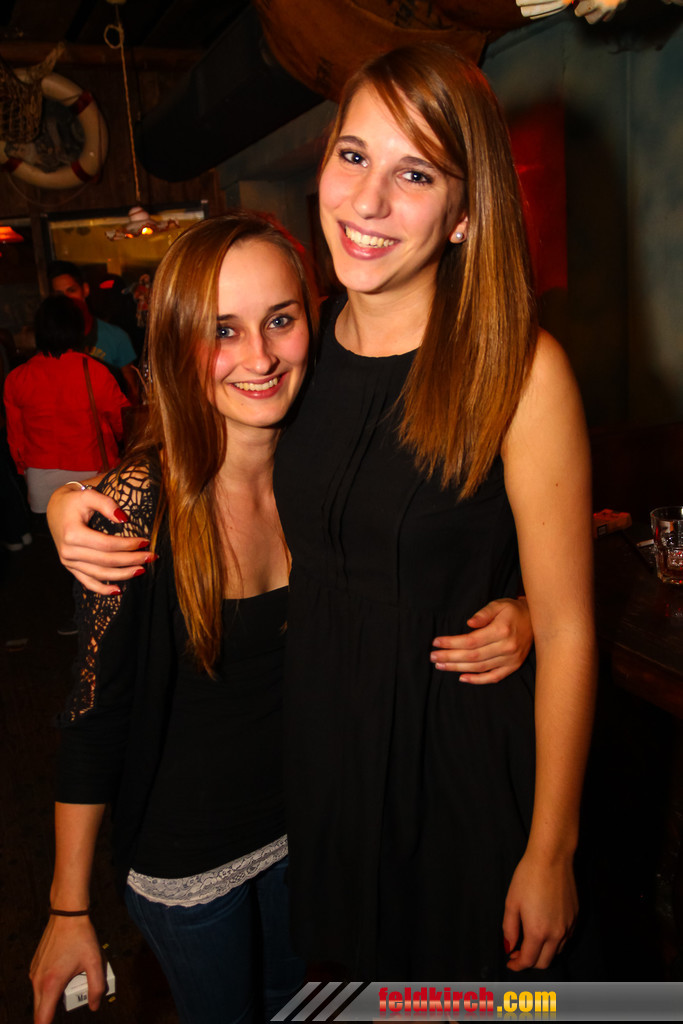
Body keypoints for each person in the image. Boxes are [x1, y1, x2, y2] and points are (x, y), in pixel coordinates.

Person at [41, 44, 573, 985]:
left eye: (415, 173)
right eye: (353, 155)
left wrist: (551, 847)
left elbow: (556, 613)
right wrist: (77, 500)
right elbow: (217, 443)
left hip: (447, 778)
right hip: (321, 796)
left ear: (465, 212)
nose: (368, 201)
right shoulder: (313, 357)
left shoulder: (515, 371)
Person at [3, 295, 129, 516]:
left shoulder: (17, 378)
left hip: (41, 479)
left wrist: (25, 472)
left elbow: (16, 438)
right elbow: (123, 422)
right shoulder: (96, 372)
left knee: (56, 534)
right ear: (78, 330)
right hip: (93, 474)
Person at [48, 261, 139, 400]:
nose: (67, 300)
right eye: (60, 295)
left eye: (71, 291)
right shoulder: (50, 339)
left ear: (85, 290)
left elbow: (132, 392)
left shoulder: (116, 336)